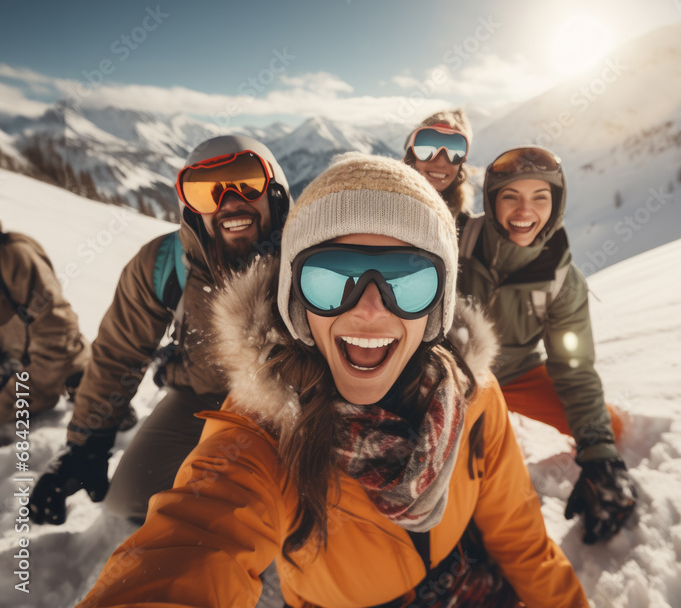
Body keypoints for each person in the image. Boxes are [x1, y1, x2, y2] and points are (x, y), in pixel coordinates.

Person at [76, 153, 589, 608]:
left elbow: (521, 541)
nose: (369, 310)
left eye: (408, 280)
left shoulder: (474, 396)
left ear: (440, 304)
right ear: (296, 302)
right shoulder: (262, 433)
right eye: (331, 277)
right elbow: (197, 540)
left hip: (470, 581)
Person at [29, 134, 292, 525]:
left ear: (274, 191)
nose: (229, 200)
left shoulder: (308, 254)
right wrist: (88, 444)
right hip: (202, 399)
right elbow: (120, 352)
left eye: (246, 180)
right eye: (206, 191)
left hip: (297, 403)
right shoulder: (165, 264)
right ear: (190, 208)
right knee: (131, 498)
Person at [456, 146, 637, 545]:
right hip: (456, 378)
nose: (525, 211)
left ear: (555, 205)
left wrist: (600, 456)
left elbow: (574, 367)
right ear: (491, 200)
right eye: (511, 197)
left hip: (517, 374)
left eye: (540, 197)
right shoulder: (455, 242)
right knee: (467, 463)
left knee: (610, 429)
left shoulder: (562, 279)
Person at [0, 221, 90, 423]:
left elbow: (58, 338)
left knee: (97, 398)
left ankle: (88, 387)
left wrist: (9, 397)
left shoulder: (15, 257)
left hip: (49, 366)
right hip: (15, 360)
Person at [402, 109, 474, 220]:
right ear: (411, 157)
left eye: (455, 152)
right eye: (426, 149)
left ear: (461, 164)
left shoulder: (470, 229)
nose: (440, 163)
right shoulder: (383, 208)